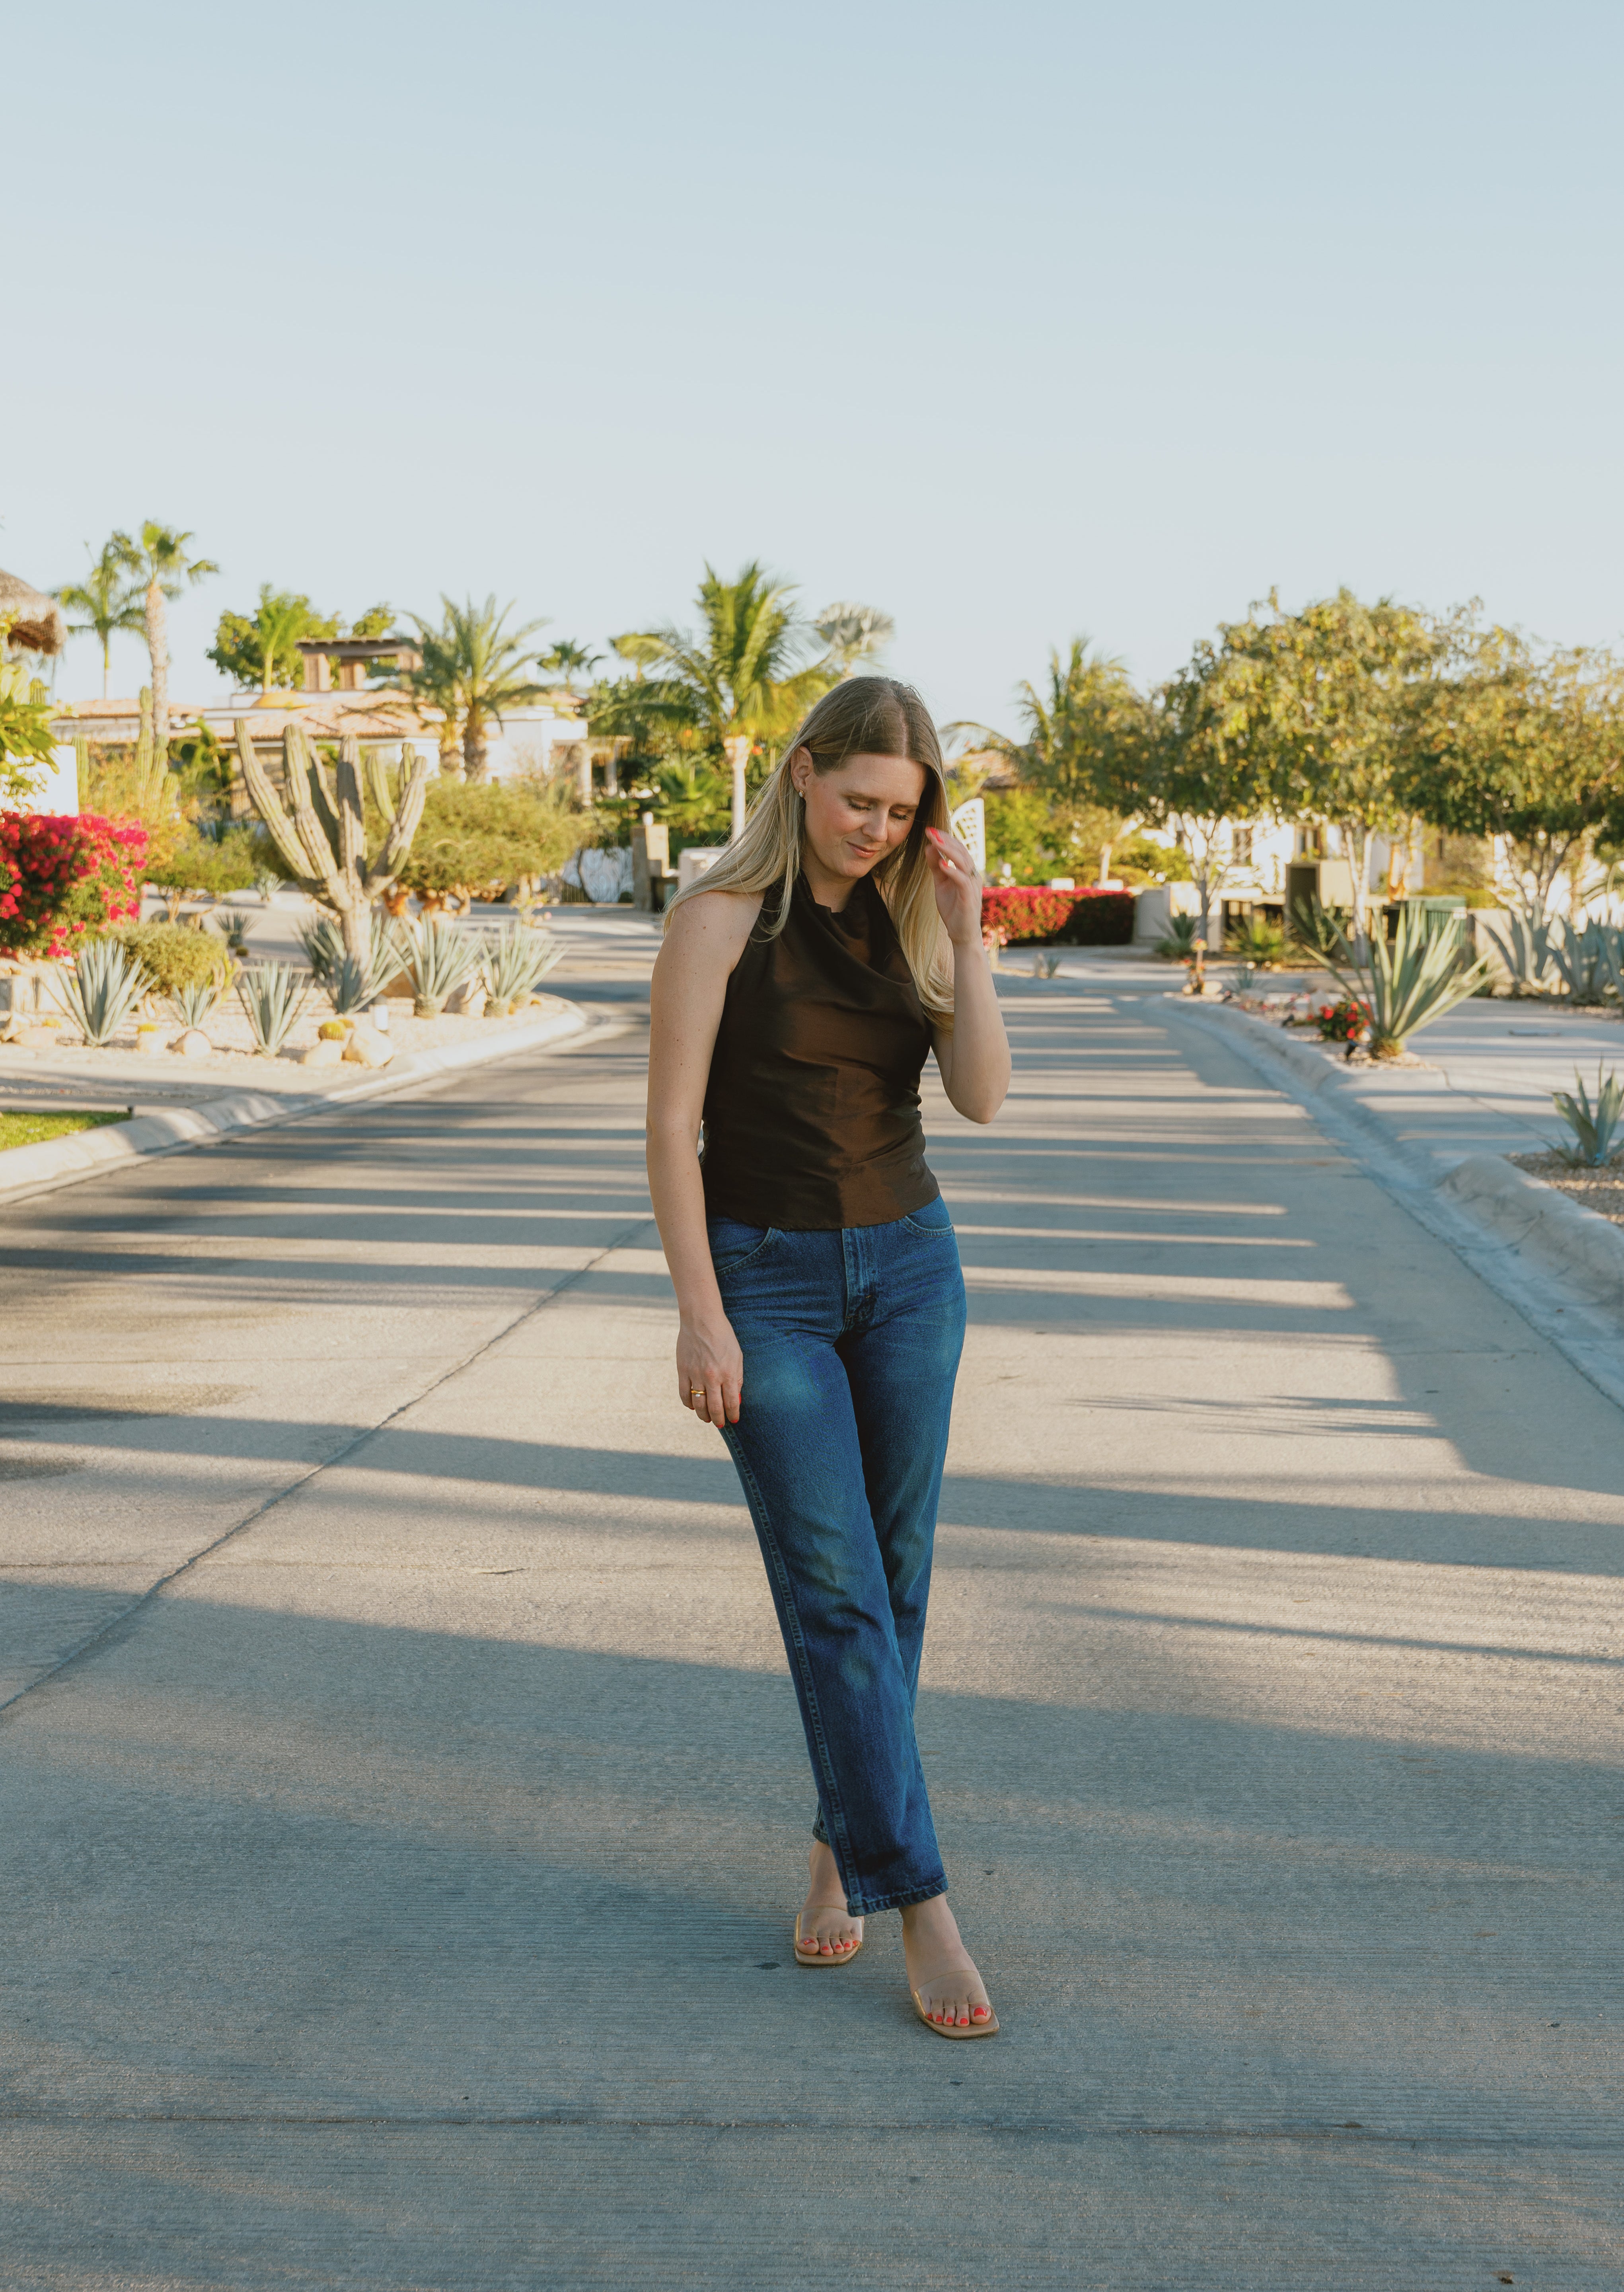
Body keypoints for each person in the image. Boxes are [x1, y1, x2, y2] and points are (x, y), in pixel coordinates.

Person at [645, 676, 1012, 2038]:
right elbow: (669, 1128)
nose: (874, 828)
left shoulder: (916, 920)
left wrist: (969, 941)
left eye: (900, 812)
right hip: (767, 1284)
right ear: (800, 775)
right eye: (858, 799)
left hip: (912, 1269)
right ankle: (923, 1903)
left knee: (895, 1580)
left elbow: (978, 1097)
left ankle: (835, 1844)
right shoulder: (716, 919)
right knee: (837, 1593)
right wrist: (700, 1311)